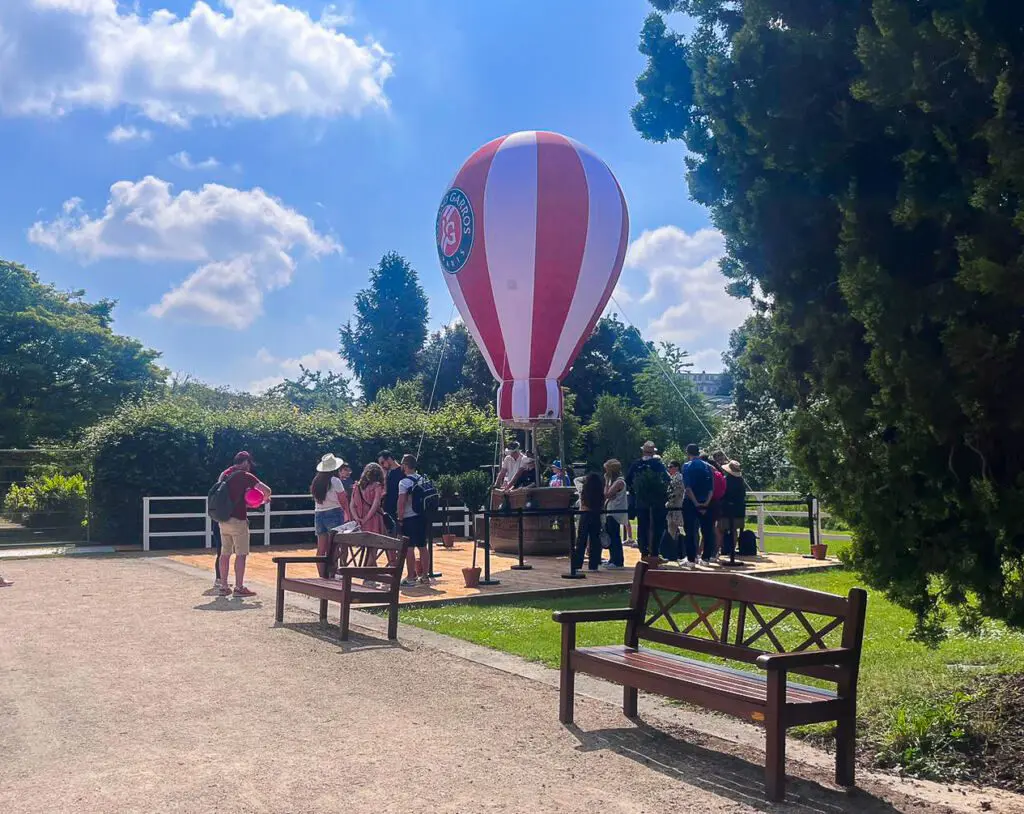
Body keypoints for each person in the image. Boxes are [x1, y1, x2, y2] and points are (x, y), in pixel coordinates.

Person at [216, 451, 271, 598]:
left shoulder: (224, 474)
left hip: (223, 518)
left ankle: (223, 586)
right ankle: (239, 587)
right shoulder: (245, 476)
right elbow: (267, 490)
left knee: (225, 553)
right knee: (241, 554)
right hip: (238, 519)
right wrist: (261, 500)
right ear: (246, 462)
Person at [625, 441, 670, 557]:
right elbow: (666, 479)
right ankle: (654, 552)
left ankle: (644, 551)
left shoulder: (636, 464)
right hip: (656, 502)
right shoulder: (658, 464)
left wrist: (634, 492)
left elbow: (628, 481)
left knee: (642, 527)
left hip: (640, 501)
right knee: (657, 527)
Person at [311, 453, 350, 577]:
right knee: (334, 547)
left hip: (319, 513)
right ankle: (333, 573)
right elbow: (343, 499)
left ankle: (322, 575)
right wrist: (347, 513)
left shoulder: (316, 481)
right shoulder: (335, 481)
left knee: (321, 548)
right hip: (334, 512)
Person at [396, 454, 430, 586]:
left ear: (404, 465)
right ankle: (425, 576)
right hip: (422, 516)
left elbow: (401, 502)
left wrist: (400, 518)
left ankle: (411, 576)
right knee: (423, 546)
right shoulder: (423, 479)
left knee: (409, 548)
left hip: (409, 518)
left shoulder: (404, 482)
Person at [683, 444, 716, 566]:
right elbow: (711, 488)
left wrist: (696, 503)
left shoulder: (687, 466)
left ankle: (691, 559)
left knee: (690, 531)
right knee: (707, 531)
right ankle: (706, 558)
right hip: (707, 501)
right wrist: (706, 503)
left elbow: (688, 488)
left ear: (688, 453)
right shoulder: (708, 467)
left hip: (691, 502)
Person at [573, 472, 605, 572]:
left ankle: (577, 564)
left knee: (581, 540)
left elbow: (576, 480)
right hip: (596, 515)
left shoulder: (583, 489)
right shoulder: (600, 492)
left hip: (585, 515)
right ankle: (594, 565)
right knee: (595, 540)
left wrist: (585, 478)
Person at [602, 459, 627, 569]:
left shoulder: (619, 482)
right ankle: (612, 558)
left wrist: (607, 481)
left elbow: (607, 494)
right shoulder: (614, 482)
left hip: (615, 512)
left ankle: (618, 561)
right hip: (610, 511)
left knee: (615, 536)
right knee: (611, 535)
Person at [350, 463, 386, 536]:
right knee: (374, 544)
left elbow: (352, 505)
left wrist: (357, 518)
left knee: (362, 543)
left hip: (359, 519)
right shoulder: (377, 486)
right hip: (374, 518)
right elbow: (375, 505)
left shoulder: (357, 486)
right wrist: (365, 519)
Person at [720, 459, 747, 557]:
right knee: (734, 529)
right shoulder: (741, 481)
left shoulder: (726, 480)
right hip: (739, 509)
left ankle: (719, 550)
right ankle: (732, 549)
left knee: (720, 529)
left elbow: (723, 494)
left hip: (727, 509)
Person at [377, 450, 404, 534]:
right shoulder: (387, 472)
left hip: (397, 509)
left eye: (382, 462)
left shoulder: (402, 471)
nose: (382, 466)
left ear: (389, 459)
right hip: (387, 509)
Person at [664, 460, 686, 562]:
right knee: (671, 530)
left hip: (677, 507)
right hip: (672, 508)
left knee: (678, 529)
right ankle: (673, 553)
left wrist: (667, 501)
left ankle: (680, 553)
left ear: (677, 467)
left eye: (671, 466)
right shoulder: (672, 477)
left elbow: (675, 492)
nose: (669, 468)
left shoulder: (678, 477)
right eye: (668, 466)